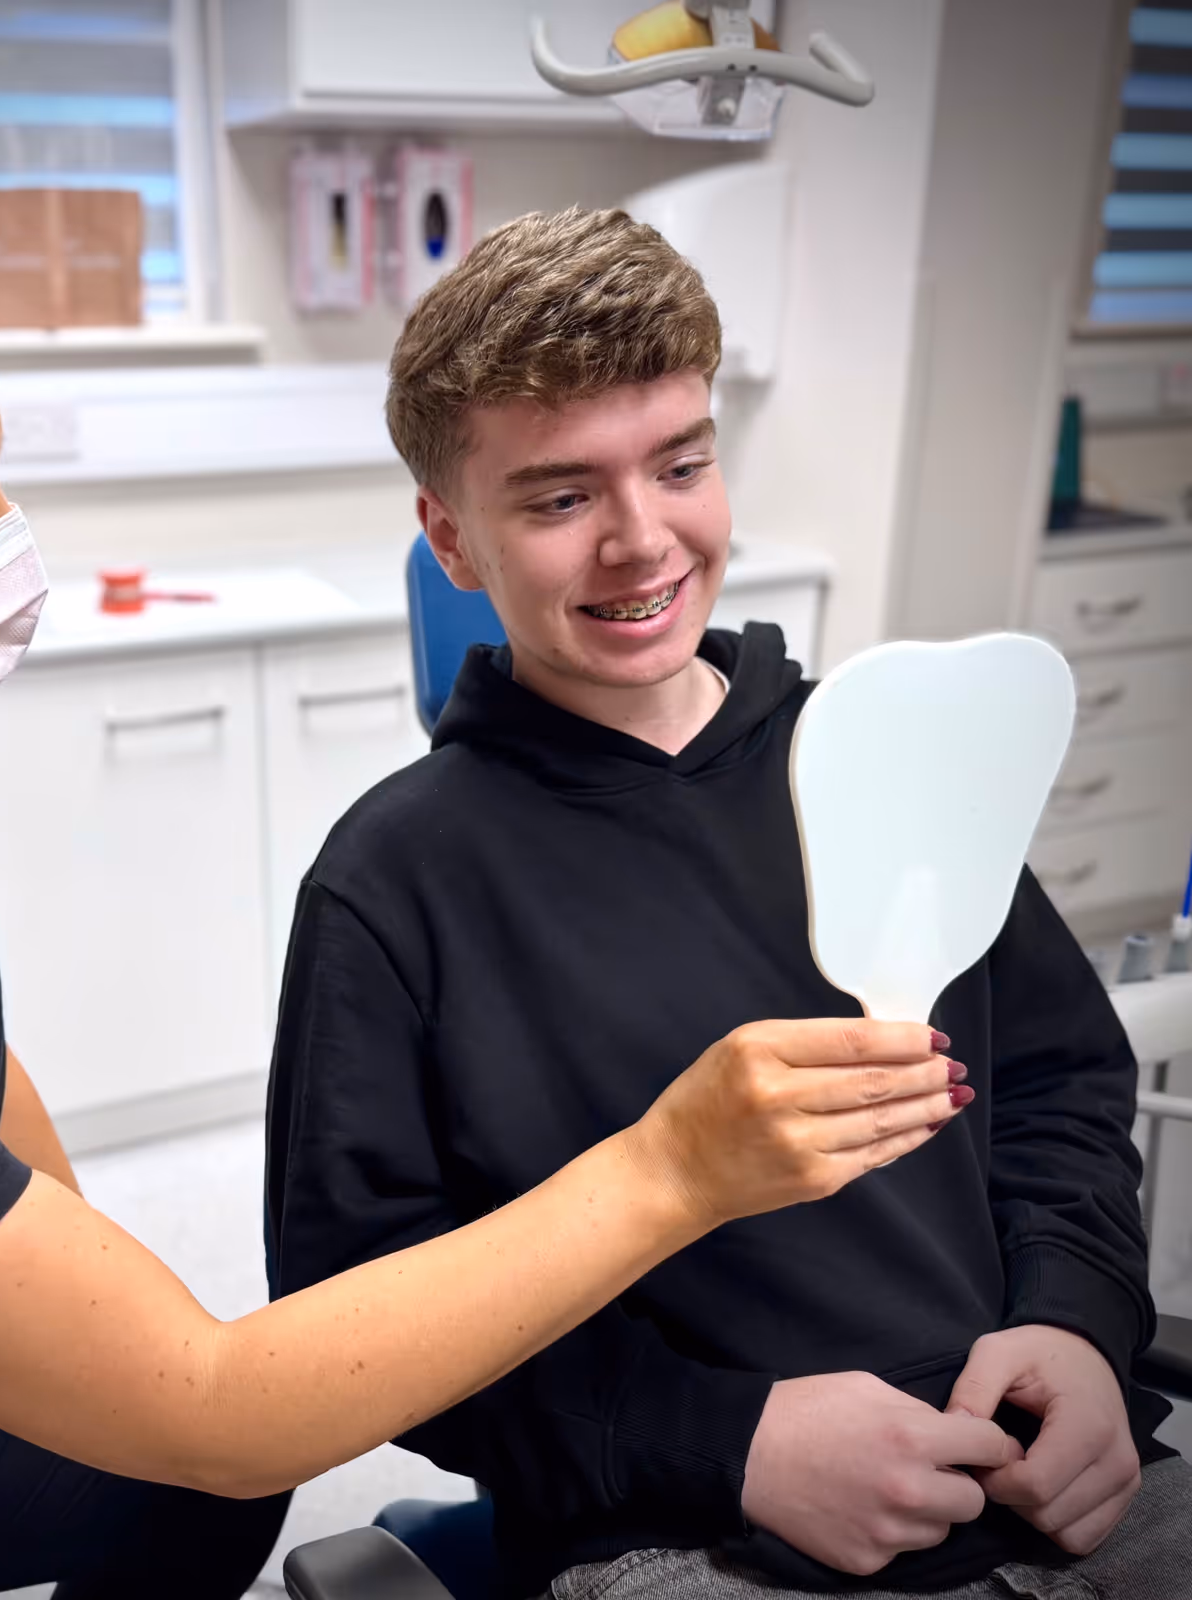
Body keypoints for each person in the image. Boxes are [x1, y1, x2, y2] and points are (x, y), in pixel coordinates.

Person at [0, 173, 966, 1600]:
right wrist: (672, 1171)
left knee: (178, 1497)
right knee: (210, 1449)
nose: (10, 546)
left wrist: (92, 1298)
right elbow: (220, 1407)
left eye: (1, 478)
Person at [265, 206, 1190, 1600]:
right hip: (688, 1525)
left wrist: (1074, 1319)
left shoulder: (891, 763)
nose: (643, 543)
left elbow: (1059, 1083)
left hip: (1051, 1472)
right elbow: (360, 1323)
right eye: (562, 497)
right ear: (451, 538)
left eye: (680, 465)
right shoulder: (394, 888)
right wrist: (733, 1442)